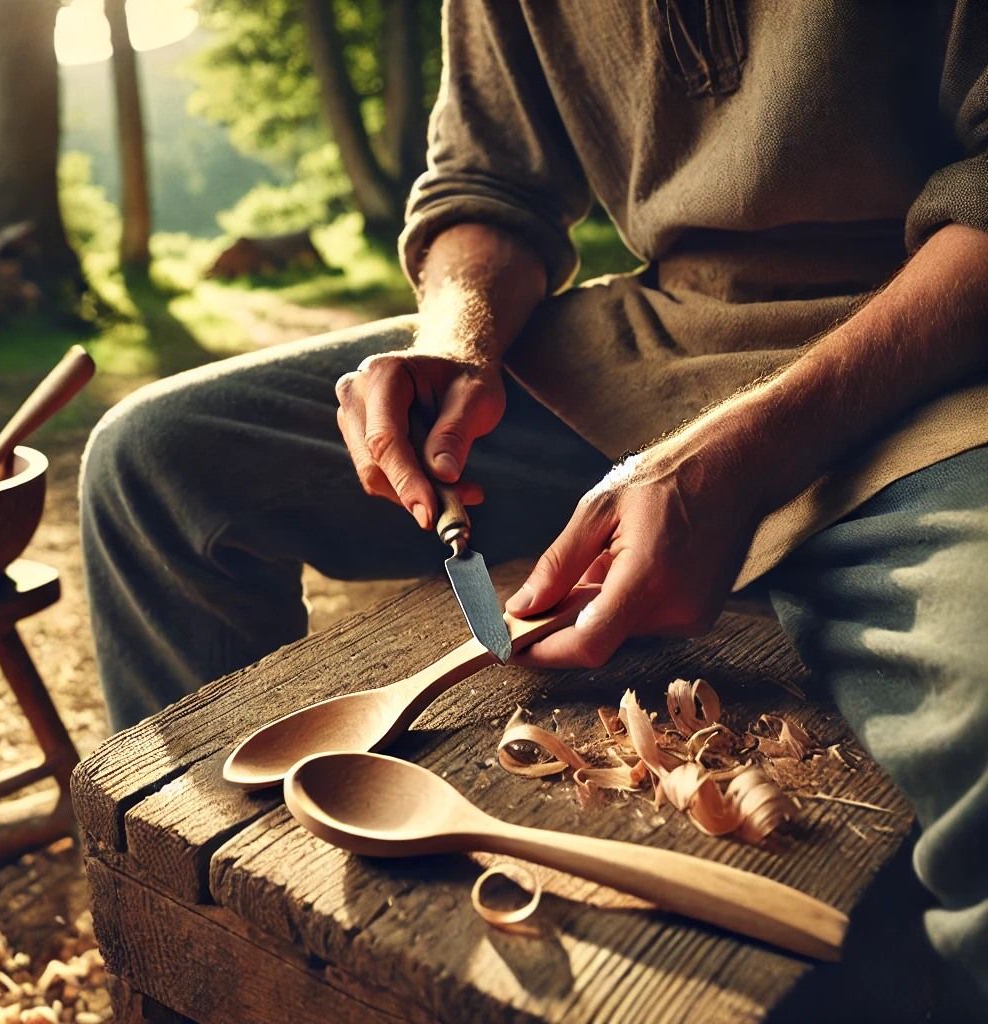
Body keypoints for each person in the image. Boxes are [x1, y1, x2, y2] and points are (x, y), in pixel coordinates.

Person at [80, 1, 988, 1010]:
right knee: (152, 462)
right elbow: (489, 182)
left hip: (938, 366)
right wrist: (456, 341)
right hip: (653, 353)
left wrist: (751, 451)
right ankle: (223, 947)